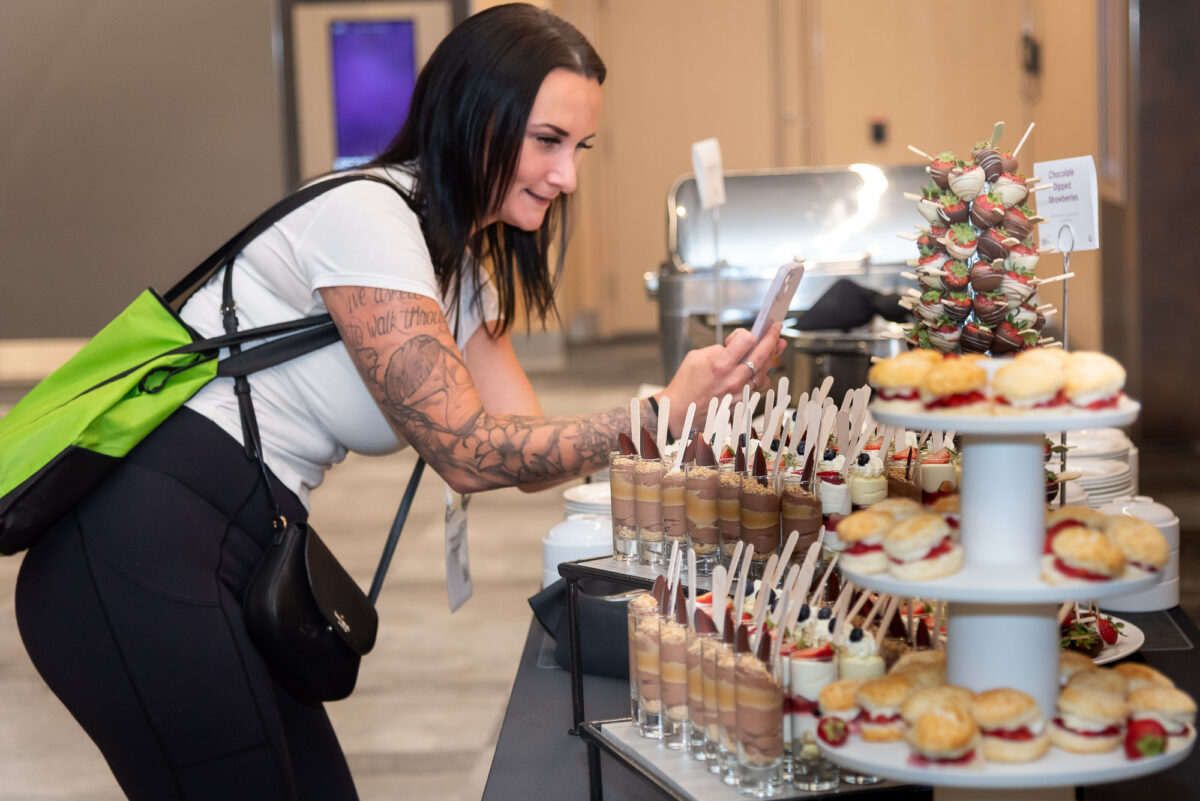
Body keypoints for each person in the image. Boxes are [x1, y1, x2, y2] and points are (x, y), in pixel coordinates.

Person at [13, 4, 785, 800]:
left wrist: (685, 407)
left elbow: (521, 448)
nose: (568, 177)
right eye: (547, 141)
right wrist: (655, 415)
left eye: (579, 146)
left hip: (230, 545)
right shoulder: (369, 218)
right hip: (135, 546)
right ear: (475, 115)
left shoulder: (459, 261)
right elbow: (465, 449)